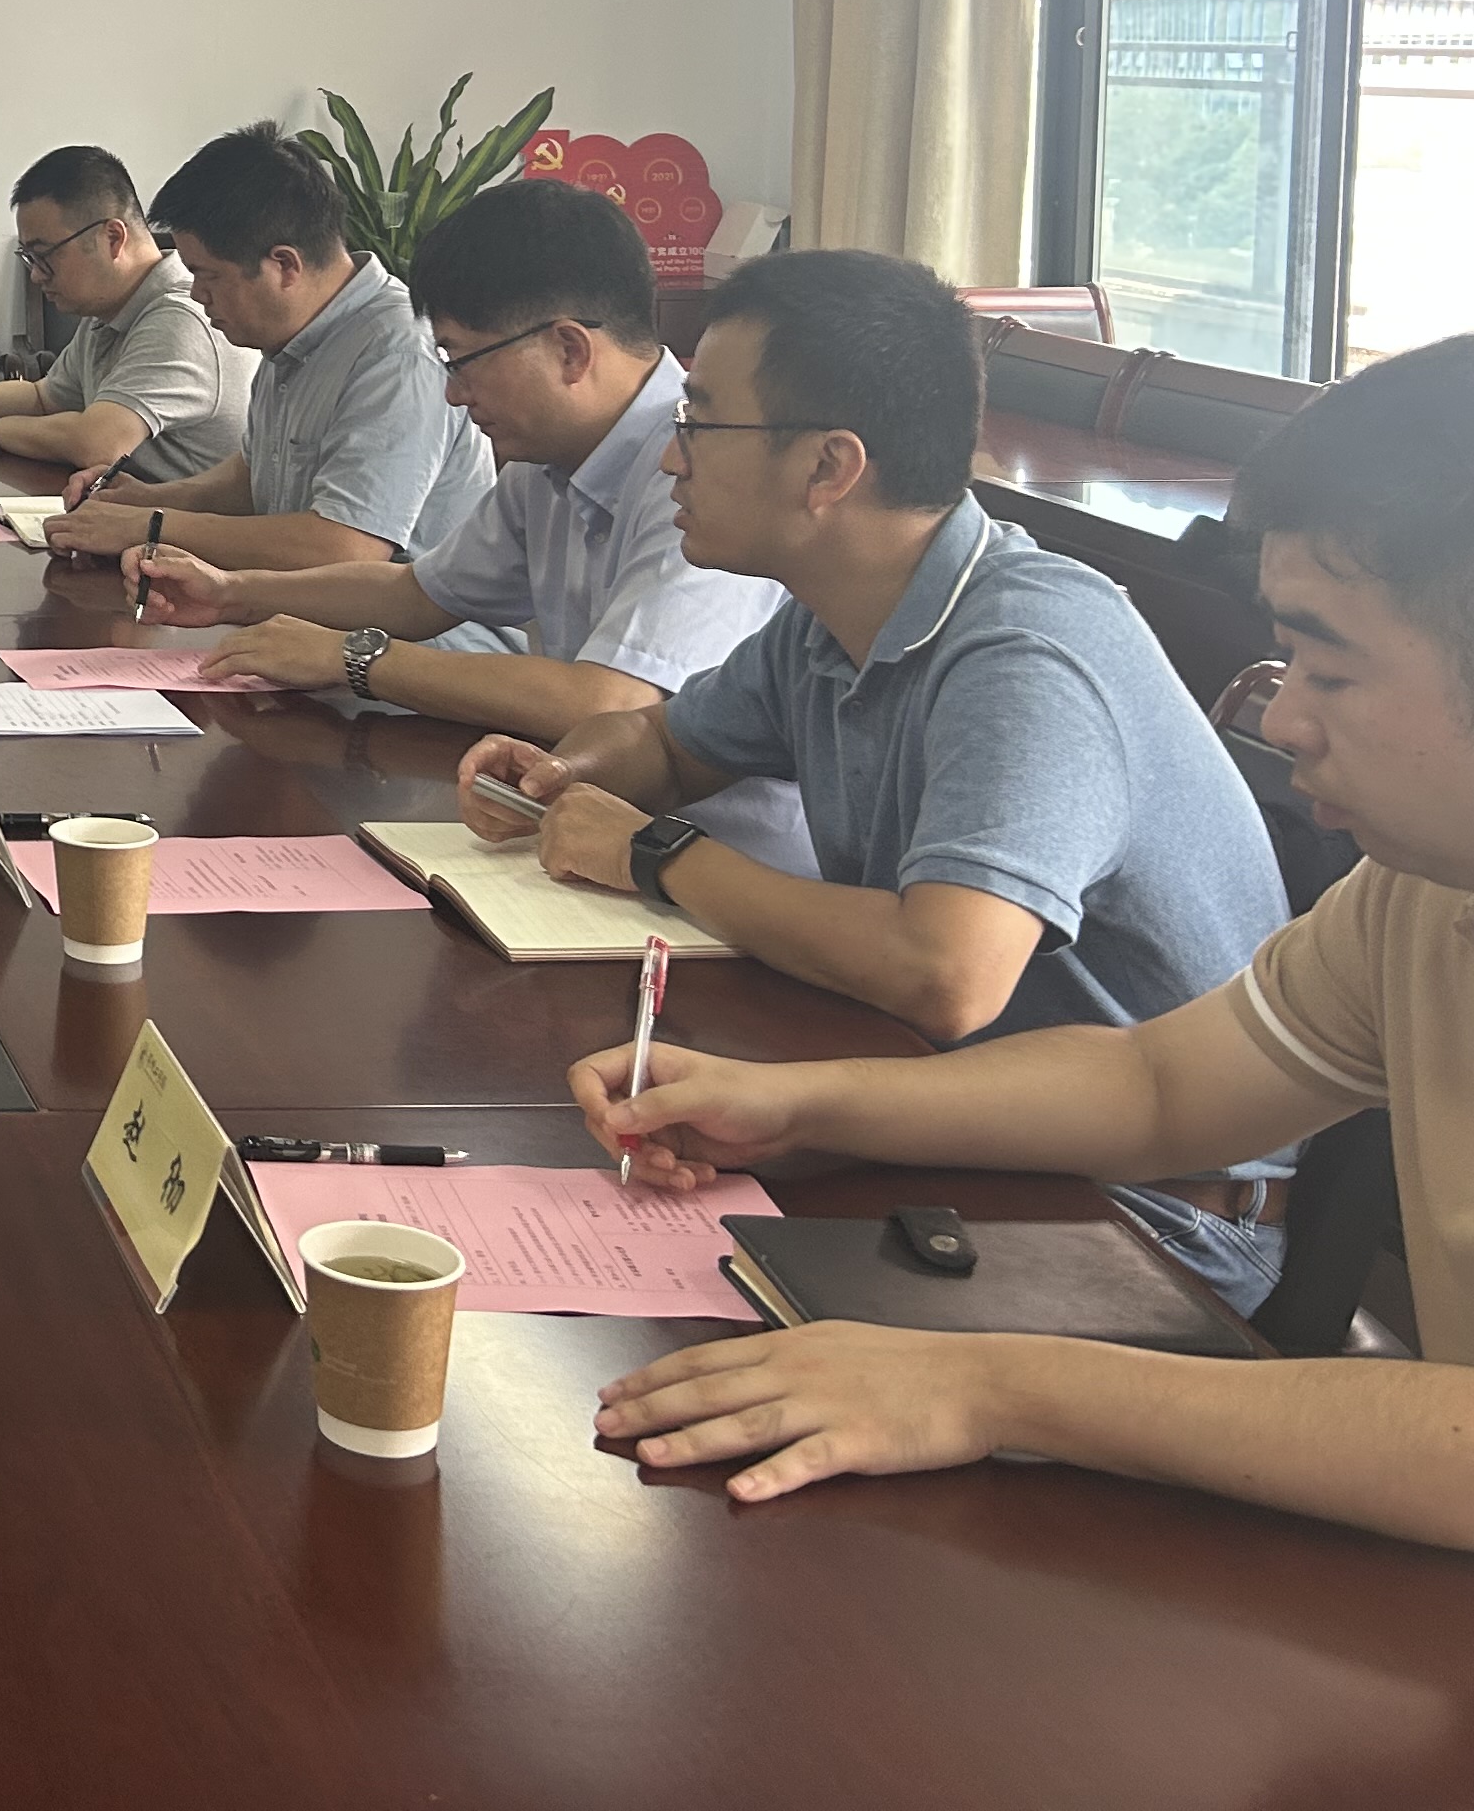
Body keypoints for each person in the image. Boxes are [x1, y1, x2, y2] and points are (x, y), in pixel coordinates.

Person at [581, 334, 1474, 1545]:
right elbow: (1157, 1084)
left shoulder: (1032, 637)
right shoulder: (1415, 891)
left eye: (1331, 668)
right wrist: (795, 1105)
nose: (1286, 720)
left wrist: (991, 1384)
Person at [456, 248, 1292, 1302]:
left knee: (626, 1313)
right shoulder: (830, 617)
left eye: (699, 424)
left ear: (828, 469)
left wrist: (656, 852)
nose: (670, 459)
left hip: (1148, 1214)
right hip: (953, 1129)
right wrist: (561, 773)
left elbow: (945, 974)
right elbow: (667, 744)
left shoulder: (1023, 651)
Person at [125, 180, 806, 869]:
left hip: (731, 872)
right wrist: (233, 593)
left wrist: (356, 658)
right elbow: (421, 593)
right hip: (600, 832)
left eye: (462, 361)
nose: (452, 393)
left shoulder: (699, 475)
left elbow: (612, 701)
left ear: (569, 351)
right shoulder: (547, 461)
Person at [46, 125, 493, 573]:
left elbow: (344, 548)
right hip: (293, 606)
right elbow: (254, 478)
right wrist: (146, 500)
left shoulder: (396, 353)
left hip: (391, 618)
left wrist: (152, 526)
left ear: (284, 264)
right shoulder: (294, 337)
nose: (198, 294)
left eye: (209, 275)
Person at [0, 144, 247, 481]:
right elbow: (43, 397)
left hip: (187, 538)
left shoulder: (180, 318)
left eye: (45, 255)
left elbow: (98, 443)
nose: (36, 275)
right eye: (28, 257)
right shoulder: (108, 311)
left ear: (112, 238)